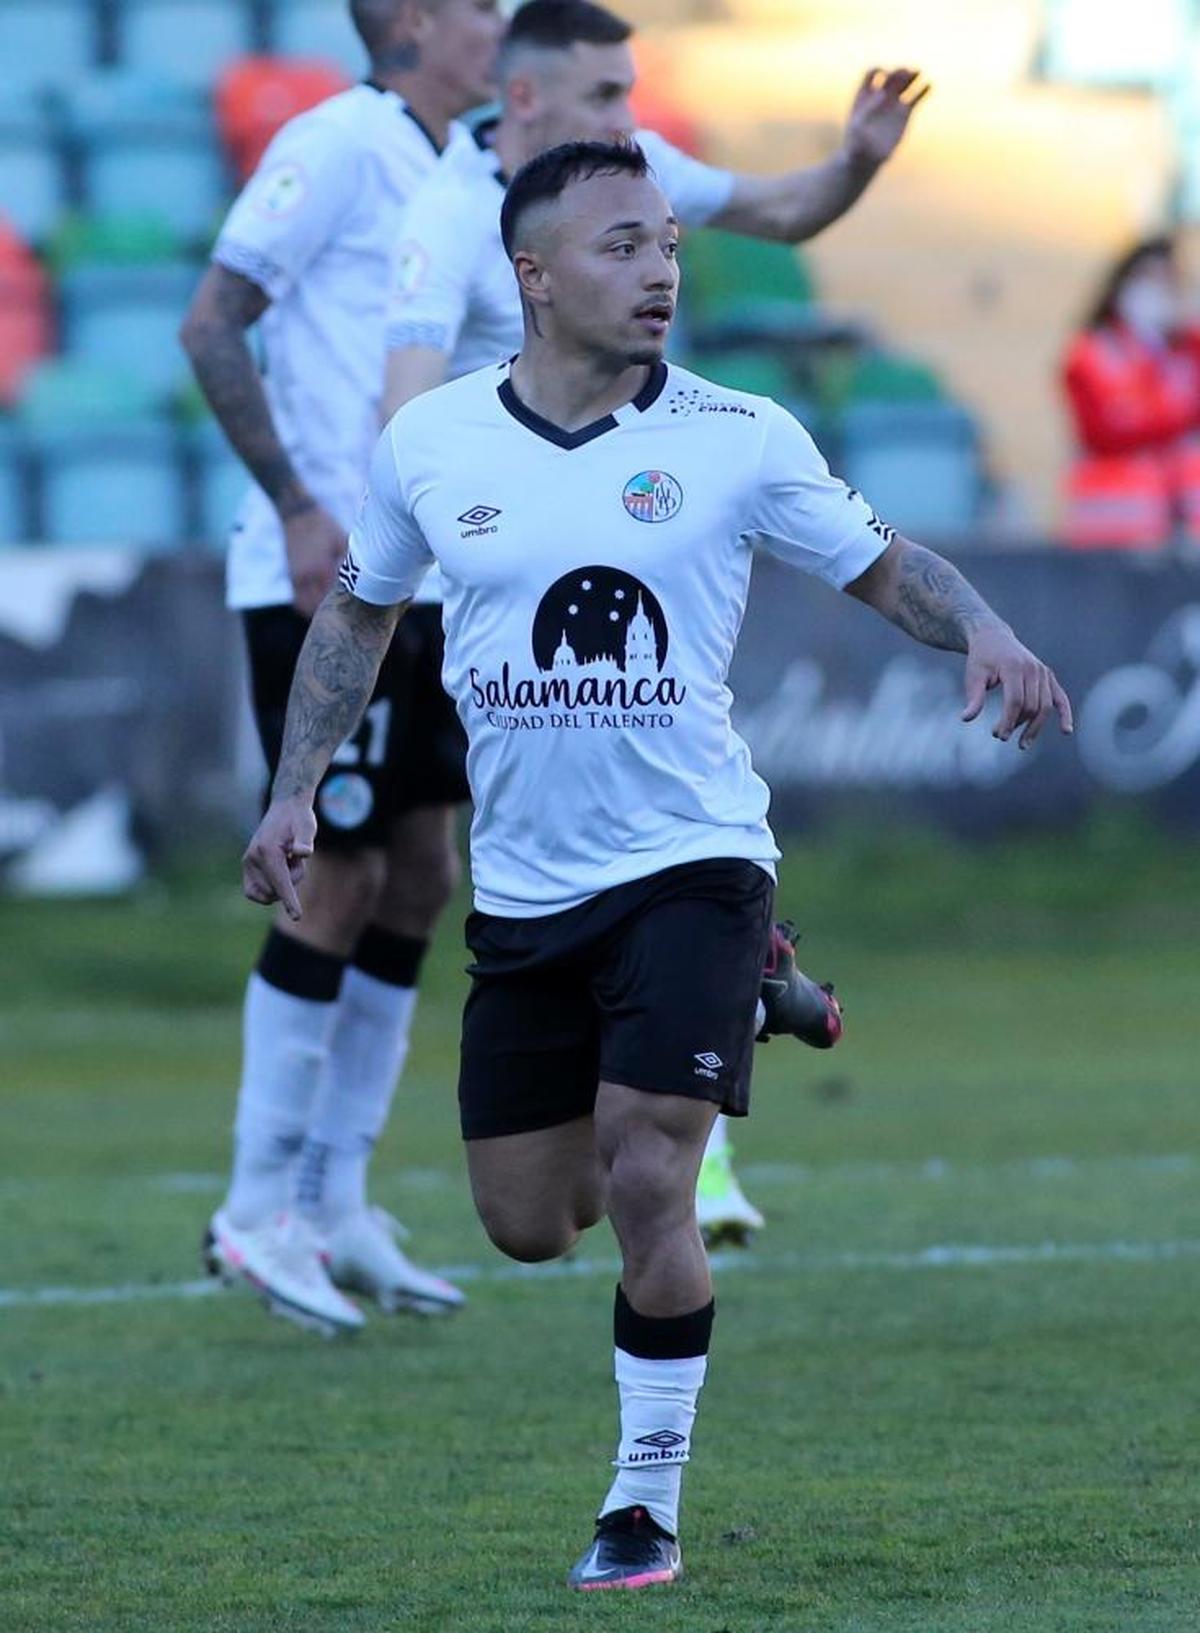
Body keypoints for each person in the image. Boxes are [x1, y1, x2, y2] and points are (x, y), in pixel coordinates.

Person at [241, 141, 1073, 1588]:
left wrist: (986, 628)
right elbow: (361, 614)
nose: (662, 273)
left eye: (670, 247)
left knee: (646, 1174)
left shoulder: (736, 432)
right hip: (528, 894)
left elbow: (884, 563)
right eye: (623, 247)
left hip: (697, 858)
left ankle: (642, 1504)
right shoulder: (433, 443)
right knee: (525, 1222)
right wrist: (294, 788)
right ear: (535, 274)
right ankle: (759, 990)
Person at [381, 0, 927, 1241]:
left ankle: (714, 994)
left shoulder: (635, 189)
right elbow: (408, 388)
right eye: (603, 98)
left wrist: (856, 162)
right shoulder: (451, 212)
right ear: (525, 104)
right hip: (479, 556)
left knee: (650, 1160)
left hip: (621, 521)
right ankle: (726, 993)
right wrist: (406, 531)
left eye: (635, 93)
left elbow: (783, 212)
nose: (633, 124)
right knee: (535, 1216)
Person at [179, 0, 506, 1336]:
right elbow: (212, 324)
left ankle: (335, 1199)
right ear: (417, 19)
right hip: (321, 571)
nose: (499, 25)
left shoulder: (466, 163)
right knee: (340, 868)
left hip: (423, 576)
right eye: (480, 6)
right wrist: (305, 505)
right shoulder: (332, 142)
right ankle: (257, 1210)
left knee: (421, 869)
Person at [1061, 235, 1200, 551]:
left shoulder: (1183, 352)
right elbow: (1102, 433)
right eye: (1148, 278)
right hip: (1113, 528)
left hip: (1179, 531)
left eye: (1169, 281)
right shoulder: (1093, 352)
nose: (1159, 291)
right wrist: (1180, 420)